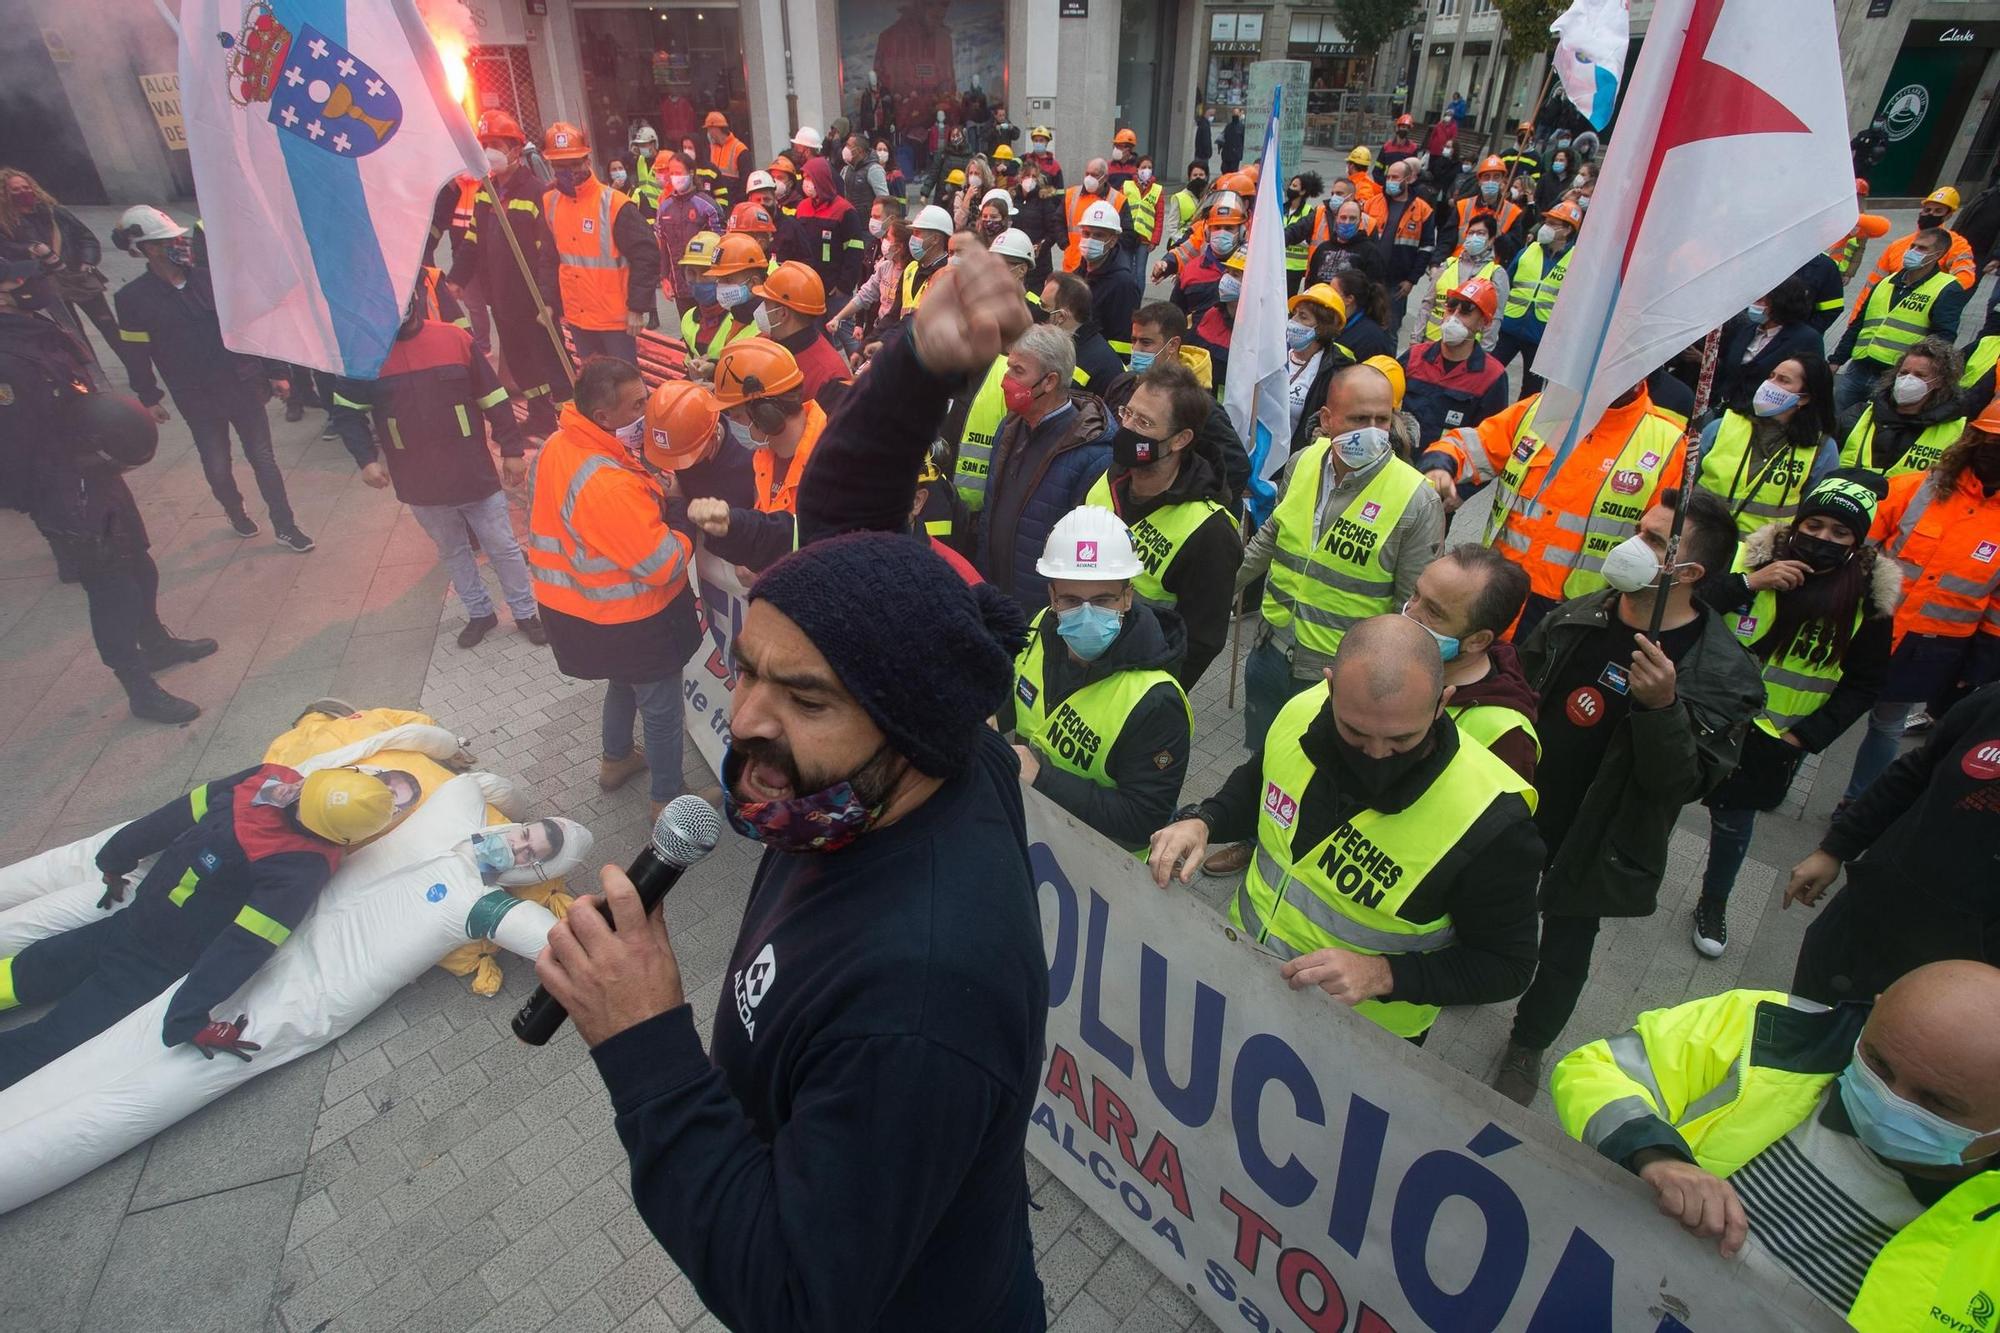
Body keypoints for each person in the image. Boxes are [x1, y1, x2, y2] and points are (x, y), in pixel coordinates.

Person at [1148, 615, 1543, 1044]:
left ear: (1442, 702)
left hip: (1362, 1037)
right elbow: (1261, 780)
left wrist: (1383, 974)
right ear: (1330, 687)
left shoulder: (1491, 820)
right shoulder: (1303, 710)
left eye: (1401, 740)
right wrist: (1204, 820)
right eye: (1354, 733)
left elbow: (1508, 967)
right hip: (1244, 973)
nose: (1376, 755)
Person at [1491, 490, 1763, 1105]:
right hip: (1519, 804)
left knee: (1564, 946)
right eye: (1639, 530)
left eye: (1658, 542)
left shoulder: (1719, 670)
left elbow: (1686, 783)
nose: (1633, 547)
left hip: (1600, 834)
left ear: (1688, 574)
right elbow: (1520, 688)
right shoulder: (1584, 611)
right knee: (1479, 897)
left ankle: (1527, 1043)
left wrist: (1662, 708)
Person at [1550, 963, 2000, 1329]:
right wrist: (1658, 1154)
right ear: (1877, 1012)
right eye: (1878, 1063)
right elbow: (1597, 1069)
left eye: (1934, 1102)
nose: (1888, 1101)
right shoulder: (1774, 1027)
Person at [0, 764, 396, 1089]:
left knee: (32, 968)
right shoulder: (300, 865)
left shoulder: (263, 780)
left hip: (132, 920)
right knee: (58, 1036)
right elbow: (245, 944)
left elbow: (173, 816)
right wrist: (189, 1017)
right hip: (152, 966)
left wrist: (115, 858)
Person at [1688, 474, 1895, 958]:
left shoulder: (1868, 600)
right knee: (1653, 792)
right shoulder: (1751, 558)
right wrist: (1750, 583)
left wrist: (1805, 738)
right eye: (1815, 524)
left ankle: (1713, 903)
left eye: (1839, 533)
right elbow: (1689, 604)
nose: (1823, 538)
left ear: (1856, 542)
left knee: (1734, 823)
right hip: (1701, 713)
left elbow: (1864, 684)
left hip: (1775, 737)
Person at [0, 259, 213, 723]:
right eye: (19, 279)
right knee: (110, 588)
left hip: (94, 471)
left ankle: (156, 643)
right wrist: (43, 496)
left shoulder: (32, 327)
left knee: (139, 563)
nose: (36, 284)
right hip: (61, 488)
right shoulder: (5, 353)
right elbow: (13, 440)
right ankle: (138, 688)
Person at [1233, 364, 1445, 756]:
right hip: (1270, 651)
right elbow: (1273, 536)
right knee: (1262, 758)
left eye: (1383, 419)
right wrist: (1222, 588)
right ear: (1327, 420)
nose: (1373, 430)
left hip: (1339, 677)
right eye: (1359, 418)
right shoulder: (1302, 463)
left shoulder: (1416, 499)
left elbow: (1413, 610)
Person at [527, 356, 697, 819]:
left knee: (622, 684)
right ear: (604, 417)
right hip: (633, 620)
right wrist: (681, 517)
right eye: (638, 405)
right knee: (660, 707)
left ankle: (616, 759)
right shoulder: (607, 483)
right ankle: (668, 797)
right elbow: (661, 564)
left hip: (581, 611)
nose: (649, 412)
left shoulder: (557, 446)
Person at [330, 291, 544, 650]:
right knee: (452, 550)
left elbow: (493, 397)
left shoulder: (453, 339)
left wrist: (511, 450)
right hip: (419, 480)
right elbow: (347, 413)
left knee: (503, 546)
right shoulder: (364, 354)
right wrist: (366, 459)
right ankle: (480, 613)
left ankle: (525, 613)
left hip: (471, 470)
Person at [108, 206, 310, 553]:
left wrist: (276, 372)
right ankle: (235, 510)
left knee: (263, 458)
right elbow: (136, 353)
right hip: (195, 396)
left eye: (178, 237)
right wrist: (149, 395)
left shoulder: (213, 280)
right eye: (169, 240)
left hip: (242, 383)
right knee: (217, 465)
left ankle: (286, 526)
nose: (180, 243)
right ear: (148, 249)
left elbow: (252, 327)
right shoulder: (132, 299)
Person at [1420, 380, 1688, 635]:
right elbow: (1467, 445)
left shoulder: (1668, 443)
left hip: (1578, 613)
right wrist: (1440, 466)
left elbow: (1664, 545)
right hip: (1498, 590)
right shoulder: (1540, 410)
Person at [995, 505, 1191, 852]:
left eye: (1102, 600)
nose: (1086, 616)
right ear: (1052, 598)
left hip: (1101, 868)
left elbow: (1143, 819)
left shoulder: (1157, 701)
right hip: (1036, 832)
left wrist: (1041, 777)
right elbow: (1018, 694)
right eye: (1071, 599)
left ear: (1127, 597)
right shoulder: (1044, 625)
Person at [1795, 674, 2000, 1000]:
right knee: (1805, 1010)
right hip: (1875, 906)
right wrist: (1834, 849)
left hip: (1962, 968)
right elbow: (1914, 772)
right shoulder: (1993, 701)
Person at [1838, 417, 2000, 807]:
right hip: (1866, 624)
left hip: (1931, 648)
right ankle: (1777, 770)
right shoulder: (1916, 489)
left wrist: (1980, 666)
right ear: (1976, 441)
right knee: (1818, 704)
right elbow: (1859, 548)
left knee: (1887, 725)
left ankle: (1857, 803)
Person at [1085, 359, 1240, 688]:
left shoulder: (1210, 532)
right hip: (1077, 658)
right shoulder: (1108, 479)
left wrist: (1148, 699)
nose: (1127, 428)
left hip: (1132, 685)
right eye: (1127, 413)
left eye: (1144, 422)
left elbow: (1200, 644)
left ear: (1180, 439)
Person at [450, 111, 568, 443]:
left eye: (496, 145)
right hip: (500, 298)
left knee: (549, 359)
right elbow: (472, 240)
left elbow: (547, 254)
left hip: (532, 299)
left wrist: (547, 300)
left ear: (516, 150)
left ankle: (571, 420)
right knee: (519, 360)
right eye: (484, 144)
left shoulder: (534, 192)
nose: (489, 151)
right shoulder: (486, 192)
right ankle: (541, 417)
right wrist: (457, 278)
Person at [977, 324, 1112, 614]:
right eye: (1008, 367)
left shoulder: (1090, 454)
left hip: (1039, 609)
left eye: (1018, 371)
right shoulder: (1010, 426)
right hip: (995, 594)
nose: (1005, 380)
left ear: (1050, 381)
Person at [1401, 544, 1540, 783]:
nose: (1411, 612)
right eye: (1415, 594)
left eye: (1433, 612)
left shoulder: (1506, 741)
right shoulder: (1393, 659)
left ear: (1477, 641)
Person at [538, 124, 659, 365]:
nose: (567, 171)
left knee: (624, 387)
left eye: (573, 163)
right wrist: (548, 302)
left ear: (586, 160)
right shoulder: (550, 202)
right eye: (560, 166)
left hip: (615, 319)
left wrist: (637, 307)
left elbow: (646, 254)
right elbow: (549, 258)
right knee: (597, 388)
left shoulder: (614, 204)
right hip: (578, 317)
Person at [1693, 354, 1841, 538]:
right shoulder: (1721, 426)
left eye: (1783, 380)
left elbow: (1812, 512)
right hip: (1696, 536)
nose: (1770, 384)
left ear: (1803, 398)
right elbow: (1685, 480)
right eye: (1771, 376)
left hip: (1757, 556)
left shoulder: (1822, 449)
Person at [1831, 225, 1969, 414]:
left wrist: (1917, 377)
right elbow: (1859, 324)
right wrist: (1837, 359)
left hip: (1895, 374)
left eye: (1922, 248)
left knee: (1873, 424)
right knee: (1836, 418)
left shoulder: (1946, 288)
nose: (1913, 252)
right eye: (1913, 246)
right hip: (1860, 366)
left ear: (1938, 254)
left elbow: (1943, 337)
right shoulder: (1886, 282)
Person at [1120, 300, 1251, 497]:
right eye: (1133, 340)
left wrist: (1187, 500)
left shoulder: (1198, 404)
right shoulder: (1127, 382)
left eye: (1146, 342)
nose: (1136, 350)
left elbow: (1237, 467)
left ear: (1172, 345)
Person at [0, 168, 117, 345]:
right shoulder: (5, 222)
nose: (23, 192)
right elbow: (5, 250)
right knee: (73, 335)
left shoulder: (54, 212)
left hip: (77, 276)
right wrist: (30, 249)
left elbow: (86, 237)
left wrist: (87, 261)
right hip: (46, 282)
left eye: (26, 187)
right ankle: (92, 372)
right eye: (15, 190)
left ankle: (138, 371)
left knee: (110, 327)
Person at [1400, 276, 1510, 455]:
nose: (1454, 318)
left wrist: (1455, 481)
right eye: (1451, 308)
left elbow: (1488, 445)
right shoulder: (1415, 357)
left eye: (1465, 312)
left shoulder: (1492, 377)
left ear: (1483, 323)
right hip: (1400, 465)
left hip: (1444, 475)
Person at [1836, 336, 1967, 478]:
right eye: (1903, 373)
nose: (1908, 380)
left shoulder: (1958, 432)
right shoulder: (1858, 415)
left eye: (1920, 375)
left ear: (1940, 382)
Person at [1847, 186, 1979, 319]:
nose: (1930, 214)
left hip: (1918, 314)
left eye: (1938, 211)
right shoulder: (1898, 245)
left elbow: (1965, 277)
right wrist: (1856, 317)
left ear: (1948, 215)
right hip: (1884, 311)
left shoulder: (1956, 244)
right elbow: (1871, 285)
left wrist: (1930, 297)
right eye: (1927, 210)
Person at [1494, 200, 1581, 395]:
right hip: (1510, 327)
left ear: (1567, 230)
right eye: (1546, 222)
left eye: (1552, 224)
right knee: (1489, 376)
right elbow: (1505, 283)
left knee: (1531, 391)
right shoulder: (1528, 251)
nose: (1545, 227)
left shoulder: (1577, 260)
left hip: (1541, 337)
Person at [1713, 279, 1827, 410]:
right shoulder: (1747, 329)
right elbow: (1731, 369)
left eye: (1762, 301)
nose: (1755, 305)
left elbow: (1814, 384)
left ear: (1781, 303)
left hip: (1765, 416)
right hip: (1727, 409)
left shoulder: (1806, 339)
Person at [749, 261, 848, 405]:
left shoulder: (830, 379)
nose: (760, 307)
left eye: (765, 302)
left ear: (782, 313)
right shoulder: (767, 341)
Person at [1421, 210, 1508, 355]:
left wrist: (1484, 354)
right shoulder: (1448, 265)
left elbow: (1494, 319)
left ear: (1491, 239)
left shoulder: (1496, 274)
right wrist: (1416, 338)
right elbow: (1427, 304)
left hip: (1466, 352)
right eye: (1471, 233)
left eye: (1480, 233)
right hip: (1432, 343)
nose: (1474, 237)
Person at [685, 232, 768, 381]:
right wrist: (714, 369)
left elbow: (759, 385)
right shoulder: (739, 315)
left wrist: (716, 388)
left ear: (753, 283)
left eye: (727, 280)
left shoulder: (766, 327)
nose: (720, 286)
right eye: (719, 279)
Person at [654, 155, 725, 309]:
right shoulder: (664, 207)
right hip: (680, 287)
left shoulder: (707, 206)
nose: (675, 177)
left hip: (707, 286)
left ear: (691, 172)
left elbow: (722, 244)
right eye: (672, 173)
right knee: (688, 328)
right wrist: (664, 278)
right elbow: (663, 246)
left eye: (679, 173)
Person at [1041, 269, 1121, 395]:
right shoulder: (1061, 346)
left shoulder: (1096, 362)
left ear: (1061, 317)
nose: (1037, 312)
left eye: (1043, 307)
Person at [1379, 159, 1435, 333]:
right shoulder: (1374, 202)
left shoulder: (1423, 210)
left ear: (1408, 179)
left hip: (1397, 283)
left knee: (1390, 328)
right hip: (1371, 276)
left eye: (1395, 177)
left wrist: (1412, 280)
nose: (1390, 181)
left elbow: (1426, 248)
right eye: (1388, 177)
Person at [1303, 197, 1387, 289]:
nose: (1347, 222)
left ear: (1360, 221)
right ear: (1336, 219)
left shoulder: (1370, 252)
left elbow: (1374, 290)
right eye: (1343, 217)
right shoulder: (1322, 249)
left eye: (1352, 218)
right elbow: (1311, 283)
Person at [1827, 178, 1892, 286]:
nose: (1856, 201)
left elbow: (1859, 252)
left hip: (1839, 271)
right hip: (1823, 265)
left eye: (1859, 198)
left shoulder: (1864, 223)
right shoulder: (1834, 215)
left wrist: (1849, 274)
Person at [1331, 270, 1395, 362]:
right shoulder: (1334, 322)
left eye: (1333, 293)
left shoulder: (1371, 339)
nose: (1327, 296)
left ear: (1349, 299)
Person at [702, 110, 749, 207]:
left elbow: (745, 180)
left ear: (715, 129)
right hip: (716, 201)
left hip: (733, 200)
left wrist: (740, 202)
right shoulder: (710, 148)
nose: (708, 133)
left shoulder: (740, 149)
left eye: (709, 129)